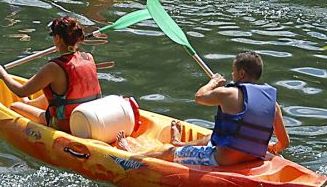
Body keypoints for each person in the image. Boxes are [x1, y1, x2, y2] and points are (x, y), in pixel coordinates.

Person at [116, 51, 290, 167]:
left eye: (233, 71)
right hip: (253, 158)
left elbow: (199, 97)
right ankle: (181, 144)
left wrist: (213, 82)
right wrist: (272, 148)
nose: (232, 74)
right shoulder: (272, 105)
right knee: (211, 136)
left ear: (242, 74)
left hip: (221, 160)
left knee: (170, 152)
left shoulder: (227, 94)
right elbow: (284, 143)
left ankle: (133, 155)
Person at [0, 16, 101, 134]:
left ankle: (27, 108)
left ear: (58, 38)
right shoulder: (88, 57)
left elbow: (21, 92)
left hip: (66, 125)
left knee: (15, 106)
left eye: (54, 36)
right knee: (50, 96)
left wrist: (3, 75)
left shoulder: (53, 68)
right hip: (90, 117)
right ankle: (28, 104)